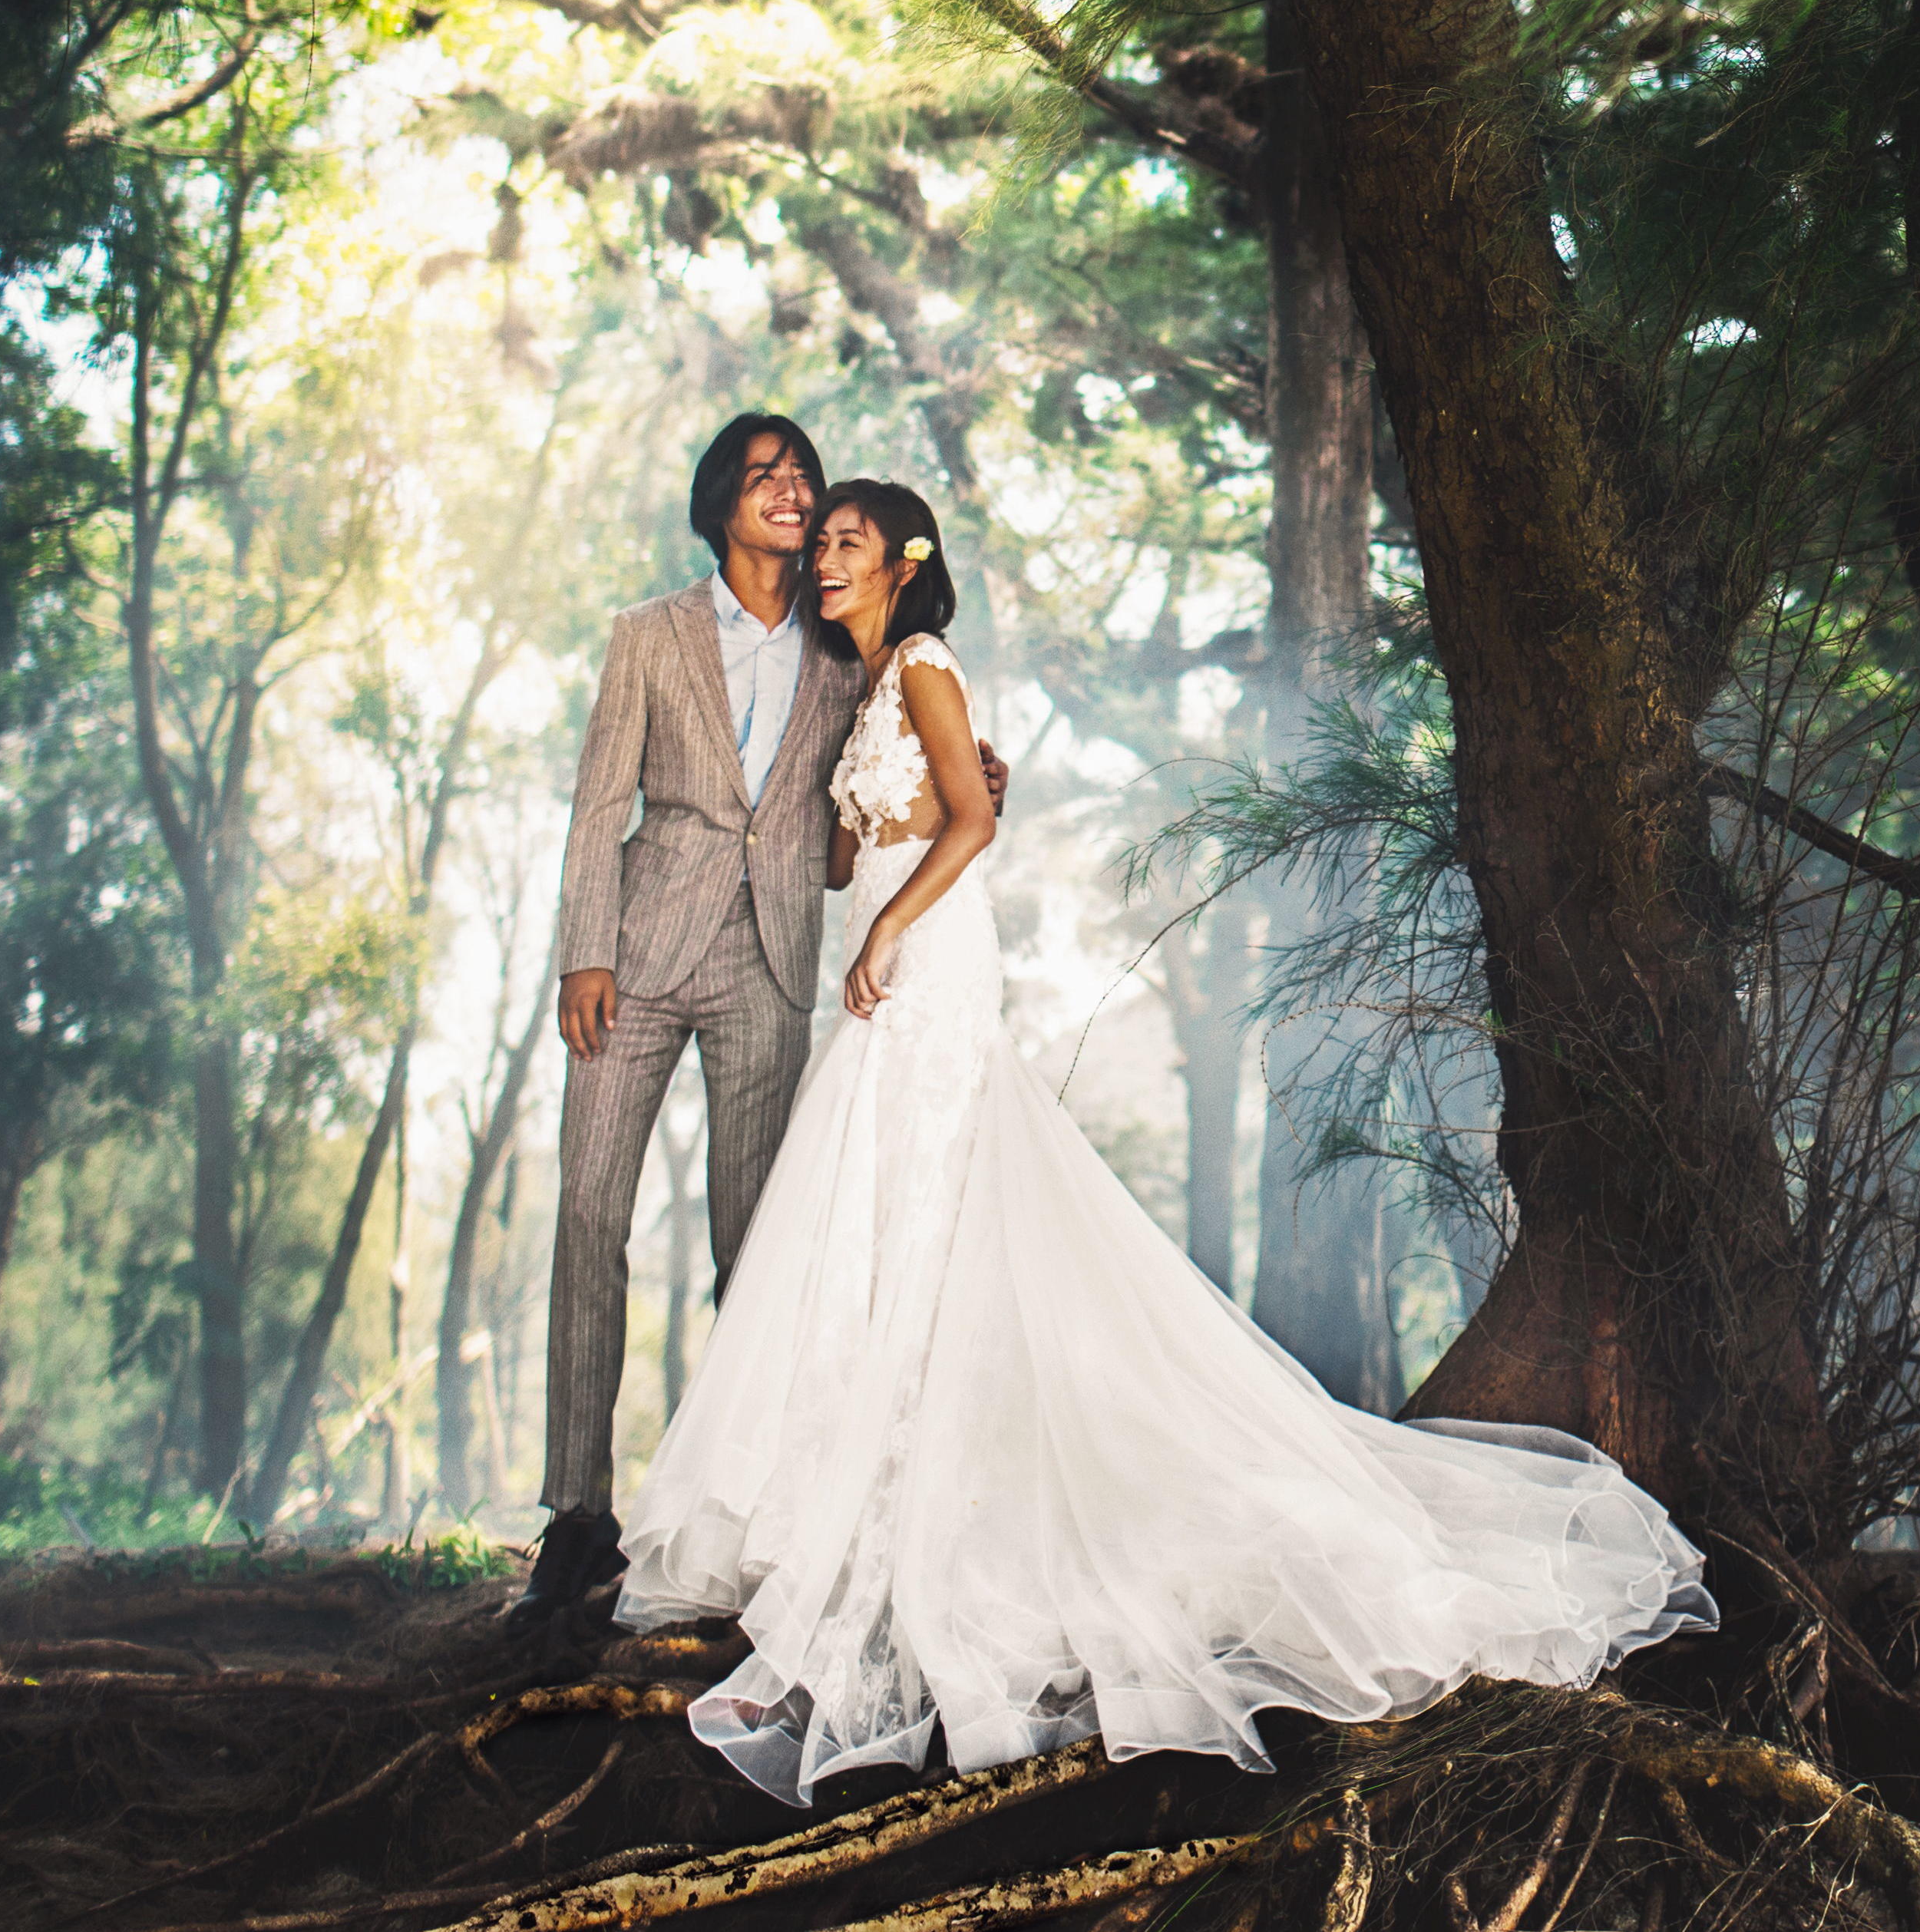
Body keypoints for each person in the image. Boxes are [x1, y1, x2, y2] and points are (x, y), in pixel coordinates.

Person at [613, 482, 1712, 1798]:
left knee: (930, 1214)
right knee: (865, 1225)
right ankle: (854, 1496)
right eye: (824, 543)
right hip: (877, 972)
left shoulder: (927, 666)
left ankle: (934, 1511)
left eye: (849, 542)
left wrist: (898, 928)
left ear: (906, 565)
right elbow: (850, 862)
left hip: (933, 970)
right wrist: (844, 855)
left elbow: (971, 824)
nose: (826, 559)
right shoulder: (856, 697)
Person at [525, 414, 999, 1614]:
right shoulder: (648, 638)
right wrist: (585, 952)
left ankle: (764, 1508)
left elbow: (911, 777)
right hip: (634, 958)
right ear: (721, 505)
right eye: (766, 476)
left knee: (766, 1241)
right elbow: (596, 809)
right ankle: (578, 1517)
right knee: (590, 1217)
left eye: (804, 476)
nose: (792, 491)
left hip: (778, 967)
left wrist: (985, 780)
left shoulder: (852, 649)